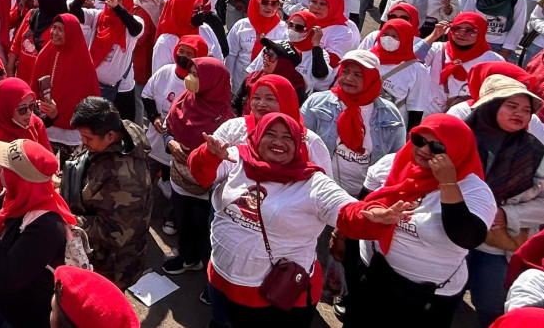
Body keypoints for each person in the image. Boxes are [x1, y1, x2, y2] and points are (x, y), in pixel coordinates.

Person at [190, 112, 410, 327]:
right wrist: (208, 155)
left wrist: (370, 216)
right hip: (222, 276)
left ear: (298, 144)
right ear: (256, 136)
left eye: (287, 137)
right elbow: (202, 175)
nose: (278, 142)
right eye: (270, 134)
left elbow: (345, 211)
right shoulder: (236, 157)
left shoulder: (313, 182)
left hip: (274, 292)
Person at [341, 113, 496, 327]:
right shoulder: (392, 164)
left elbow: (467, 237)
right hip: (373, 275)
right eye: (419, 140)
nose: (424, 150)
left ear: (457, 151)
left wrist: (448, 184)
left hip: (429, 296)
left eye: (437, 147)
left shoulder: (474, 190)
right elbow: (361, 206)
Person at [461, 76, 544, 326]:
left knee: (492, 304)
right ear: (491, 105)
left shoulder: (535, 151)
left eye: (527, 110)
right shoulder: (458, 140)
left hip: (499, 243)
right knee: (443, 298)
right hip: (453, 236)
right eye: (511, 105)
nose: (520, 113)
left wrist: (507, 214)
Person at [0, 137, 72, 328]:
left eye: (5, 166)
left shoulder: (46, 227)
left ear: (19, 178)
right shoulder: (13, 197)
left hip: (22, 316)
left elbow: (7, 279)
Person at [62, 96, 153, 288]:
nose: (83, 142)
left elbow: (113, 233)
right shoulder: (112, 136)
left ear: (110, 136)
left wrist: (67, 220)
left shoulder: (126, 180)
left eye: (88, 138)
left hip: (111, 267)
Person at [162, 57, 233, 283]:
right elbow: (168, 128)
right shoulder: (184, 99)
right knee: (185, 223)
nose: (190, 78)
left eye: (197, 74)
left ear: (213, 82)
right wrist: (170, 142)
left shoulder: (226, 119)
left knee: (206, 230)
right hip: (179, 179)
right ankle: (187, 258)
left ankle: (211, 278)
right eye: (190, 71)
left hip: (206, 187)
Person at [300, 50, 407, 195]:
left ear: (372, 78)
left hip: (363, 197)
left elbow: (395, 163)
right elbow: (300, 143)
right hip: (318, 191)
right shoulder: (317, 103)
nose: (349, 78)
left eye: (358, 75)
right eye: (346, 72)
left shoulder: (390, 115)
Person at [31, 12, 99, 158]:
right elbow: (34, 90)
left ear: (71, 33)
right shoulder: (45, 54)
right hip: (46, 126)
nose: (54, 33)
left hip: (71, 133)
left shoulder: (84, 62)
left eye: (60, 30)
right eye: (54, 28)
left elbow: (92, 98)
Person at [224, 0, 286, 92]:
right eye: (265, 2)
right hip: (239, 82)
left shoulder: (283, 28)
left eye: (274, 3)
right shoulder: (241, 25)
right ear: (256, 2)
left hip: (268, 84)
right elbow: (231, 55)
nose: (269, 7)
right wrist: (227, 79)